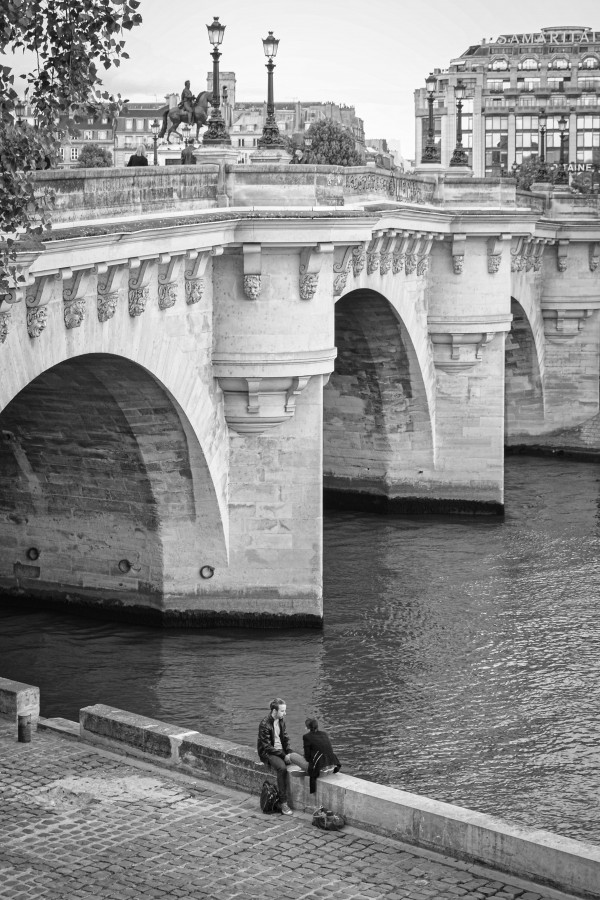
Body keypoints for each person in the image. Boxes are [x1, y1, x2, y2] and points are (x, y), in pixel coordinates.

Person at [257, 698, 308, 815]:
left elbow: (285, 738)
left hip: (280, 750)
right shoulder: (264, 724)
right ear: (274, 711)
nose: (285, 713)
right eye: (282, 711)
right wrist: (283, 756)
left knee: (296, 756)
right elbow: (267, 747)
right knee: (282, 768)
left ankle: (310, 767)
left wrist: (289, 752)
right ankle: (283, 802)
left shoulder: (281, 720)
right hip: (269, 753)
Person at [303, 717, 341, 794]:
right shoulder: (324, 734)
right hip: (332, 766)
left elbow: (307, 757)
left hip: (320, 770)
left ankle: (304, 769)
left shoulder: (306, 737)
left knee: (293, 756)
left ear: (307, 727)